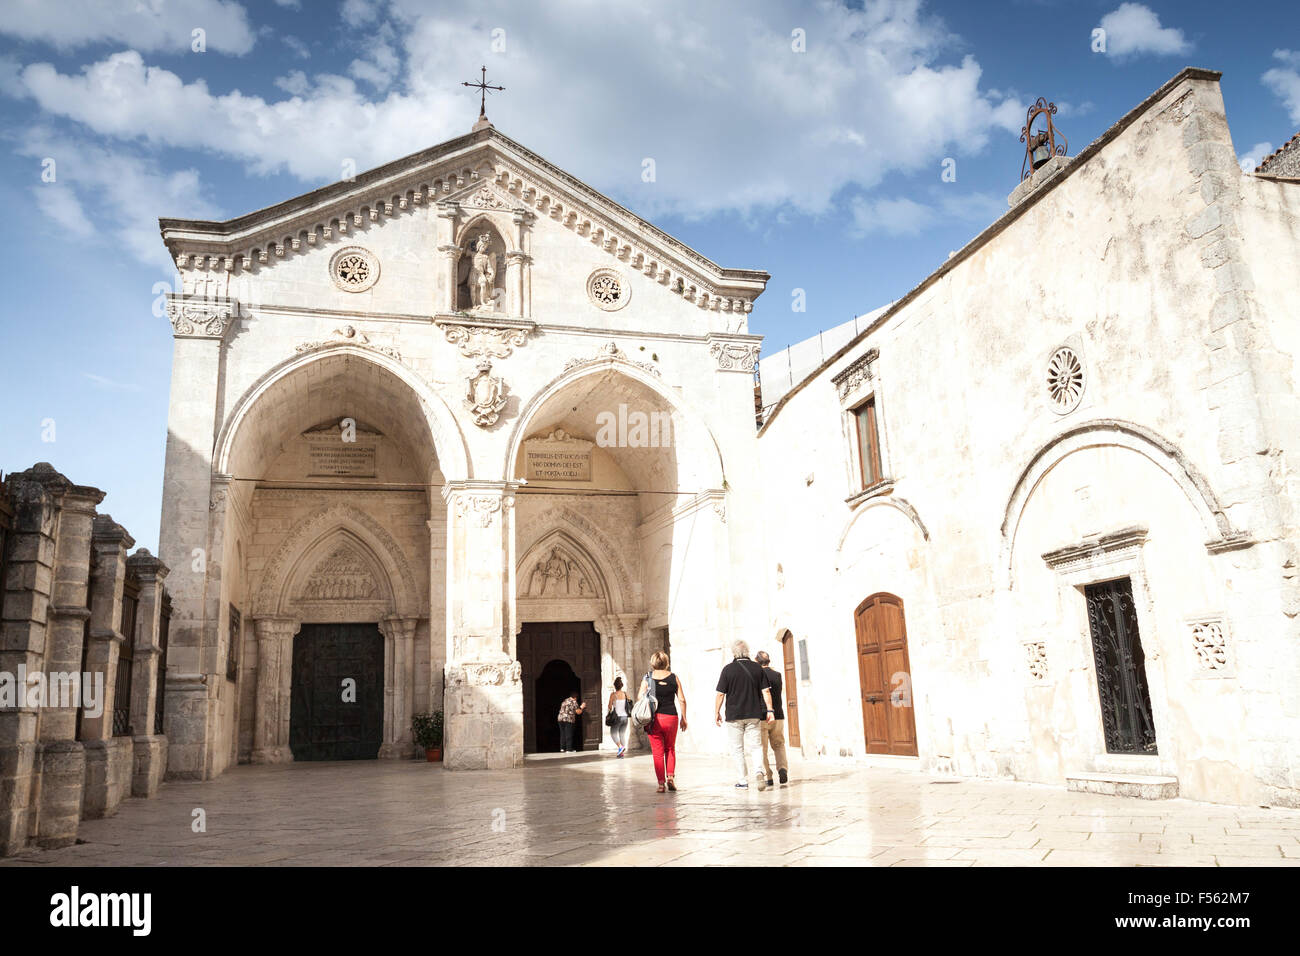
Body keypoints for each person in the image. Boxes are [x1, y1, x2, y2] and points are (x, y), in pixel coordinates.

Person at [714, 640, 775, 790]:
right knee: (756, 747)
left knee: (737, 748)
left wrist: (716, 712)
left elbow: (720, 694)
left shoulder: (727, 669)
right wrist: (770, 710)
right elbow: (766, 691)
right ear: (747, 652)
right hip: (753, 713)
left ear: (734, 652)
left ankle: (743, 781)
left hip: (734, 715)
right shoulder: (757, 668)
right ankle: (759, 771)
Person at [641, 651, 687, 793]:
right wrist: (684, 718)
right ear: (666, 662)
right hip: (671, 717)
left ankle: (661, 784)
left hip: (654, 719)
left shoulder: (648, 678)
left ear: (653, 662)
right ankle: (671, 777)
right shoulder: (674, 677)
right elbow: (682, 699)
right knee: (670, 748)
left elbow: (640, 697)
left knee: (657, 752)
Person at [755, 650, 790, 787]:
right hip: (778, 715)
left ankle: (768, 776)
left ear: (757, 661)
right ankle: (782, 768)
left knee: (762, 748)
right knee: (779, 744)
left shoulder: (757, 676)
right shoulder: (777, 674)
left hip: (763, 716)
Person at [606, 676, 631, 757]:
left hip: (617, 717)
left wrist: (611, 708)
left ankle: (620, 747)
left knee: (613, 733)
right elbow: (630, 702)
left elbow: (609, 706)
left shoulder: (613, 695)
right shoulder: (625, 694)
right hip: (625, 717)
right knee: (622, 734)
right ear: (621, 685)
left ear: (615, 686)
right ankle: (621, 752)